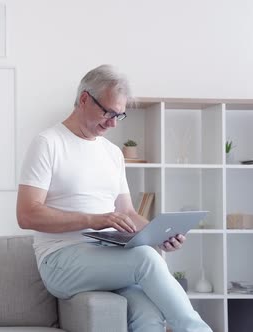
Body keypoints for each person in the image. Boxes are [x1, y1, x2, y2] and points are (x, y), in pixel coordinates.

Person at [16, 64, 212, 332]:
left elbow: (128, 213)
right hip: (60, 261)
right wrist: (94, 220)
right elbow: (27, 215)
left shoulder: (112, 153)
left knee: (148, 310)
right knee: (145, 258)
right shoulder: (48, 143)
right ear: (84, 99)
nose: (111, 123)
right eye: (107, 112)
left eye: (119, 116)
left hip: (110, 258)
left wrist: (159, 235)